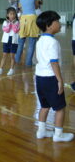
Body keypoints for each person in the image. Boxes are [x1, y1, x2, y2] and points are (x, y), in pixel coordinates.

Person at [35, 11, 74, 142]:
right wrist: (60, 80)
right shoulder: (52, 42)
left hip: (39, 78)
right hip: (51, 78)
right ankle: (58, 135)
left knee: (44, 106)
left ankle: (41, 131)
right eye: (57, 21)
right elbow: (54, 62)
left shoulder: (40, 40)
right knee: (60, 108)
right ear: (49, 25)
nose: (60, 23)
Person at [15, 0, 43, 66]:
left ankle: (16, 61)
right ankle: (28, 63)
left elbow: (20, 7)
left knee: (20, 43)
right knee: (31, 43)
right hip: (32, 19)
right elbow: (37, 6)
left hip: (23, 19)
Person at [0, 7, 20, 76]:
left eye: (14, 14)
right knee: (4, 55)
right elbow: (6, 30)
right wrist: (9, 23)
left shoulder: (17, 22)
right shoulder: (5, 22)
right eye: (10, 14)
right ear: (8, 15)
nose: (12, 15)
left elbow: (15, 30)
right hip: (6, 40)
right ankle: (0, 69)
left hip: (13, 41)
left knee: (12, 56)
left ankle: (11, 69)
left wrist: (13, 23)